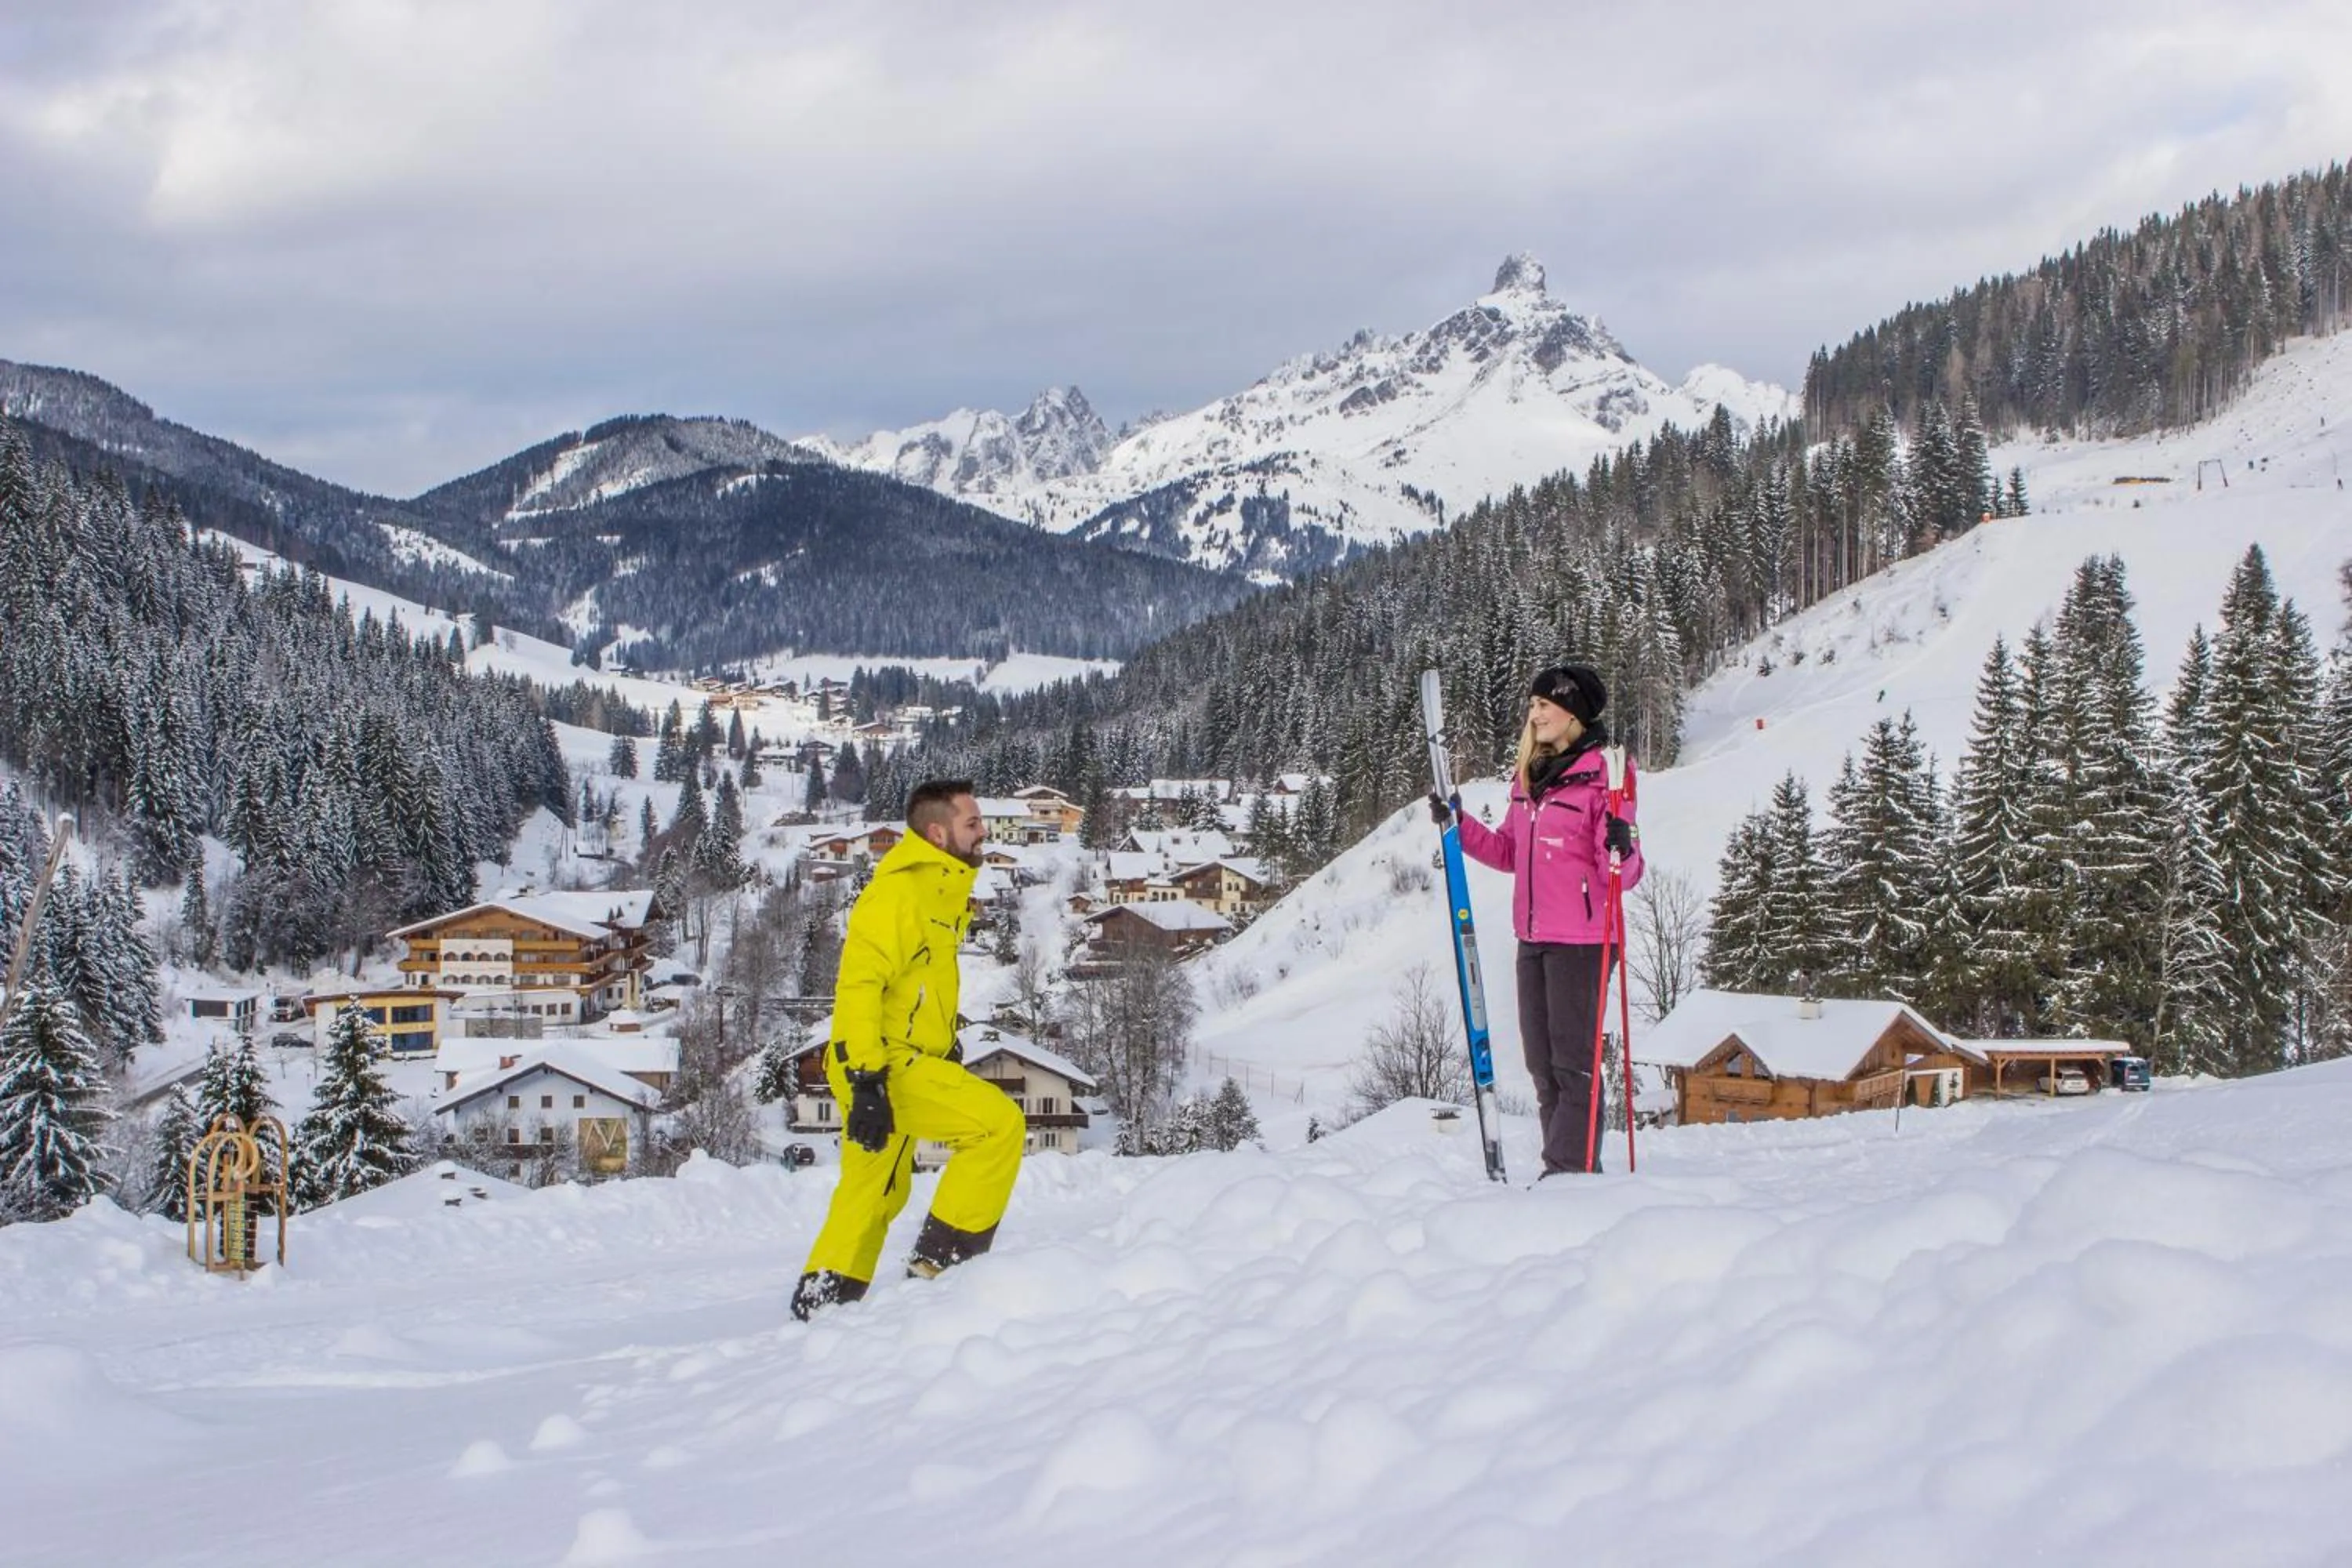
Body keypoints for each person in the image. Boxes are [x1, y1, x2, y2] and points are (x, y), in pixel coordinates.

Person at [790, 779, 1025, 1319]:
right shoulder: (899, 893)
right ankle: (939, 1270)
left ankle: (822, 1305)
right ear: (939, 833)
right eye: (972, 823)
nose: (983, 831)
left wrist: (942, 1038)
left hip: (901, 1057)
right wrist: (868, 1080)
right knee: (997, 1126)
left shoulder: (939, 889)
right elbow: (859, 988)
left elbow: (917, 984)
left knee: (874, 1188)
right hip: (883, 1062)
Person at [1429, 664, 1643, 1178]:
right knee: (1543, 1071)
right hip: (1533, 937)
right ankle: (1569, 1169)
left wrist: (1621, 842)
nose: (1535, 714)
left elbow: (1624, 873)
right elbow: (1508, 852)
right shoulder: (1531, 776)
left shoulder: (1606, 776)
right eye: (1532, 705)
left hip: (1584, 941)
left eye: (1545, 705)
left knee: (1574, 1067)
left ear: (1572, 712)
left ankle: (1566, 1174)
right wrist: (1460, 823)